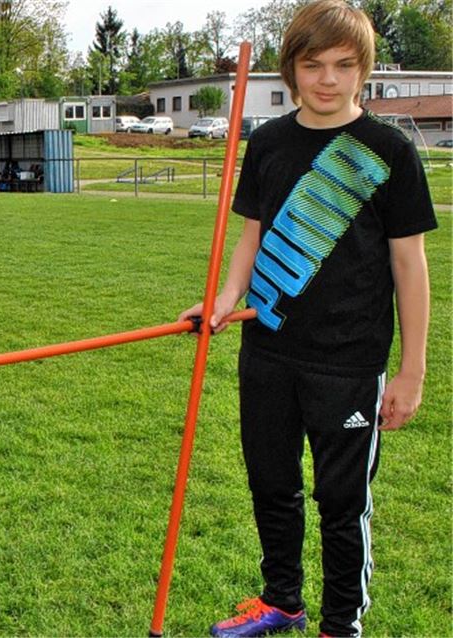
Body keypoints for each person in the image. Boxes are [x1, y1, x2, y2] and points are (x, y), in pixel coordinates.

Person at [178, 2, 437, 636]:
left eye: (343, 65)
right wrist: (223, 299)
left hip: (348, 362)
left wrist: (411, 372)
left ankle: (339, 623)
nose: (327, 79)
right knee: (271, 484)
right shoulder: (267, 142)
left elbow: (410, 265)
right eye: (312, 64)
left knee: (342, 503)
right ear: (291, 69)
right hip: (267, 350)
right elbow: (251, 238)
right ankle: (282, 601)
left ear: (363, 70)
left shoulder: (388, 151)